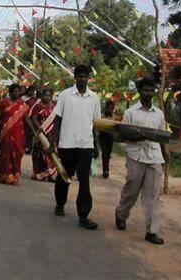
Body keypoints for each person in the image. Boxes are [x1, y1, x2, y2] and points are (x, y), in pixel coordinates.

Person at [41, 64, 100, 230]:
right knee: (64, 176)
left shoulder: (94, 98)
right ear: (75, 77)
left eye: (85, 76)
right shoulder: (65, 95)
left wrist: (96, 145)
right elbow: (57, 120)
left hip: (85, 144)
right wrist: (53, 142)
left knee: (84, 180)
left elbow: (96, 123)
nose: (82, 79)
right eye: (79, 76)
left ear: (89, 77)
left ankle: (83, 215)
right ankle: (60, 204)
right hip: (67, 143)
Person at [114, 78, 170, 245]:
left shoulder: (159, 114)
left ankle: (151, 231)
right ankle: (121, 214)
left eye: (151, 90)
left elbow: (162, 137)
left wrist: (166, 156)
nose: (148, 93)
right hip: (135, 156)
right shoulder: (130, 112)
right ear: (139, 91)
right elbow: (121, 135)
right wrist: (134, 135)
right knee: (132, 190)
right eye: (145, 90)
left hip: (154, 158)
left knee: (152, 195)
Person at [0, 84, 29, 185]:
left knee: (16, 154)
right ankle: (2, 175)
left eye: (18, 91)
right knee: (4, 153)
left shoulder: (22, 105)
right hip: (6, 133)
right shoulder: (4, 103)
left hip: (18, 134)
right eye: (14, 91)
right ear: (10, 92)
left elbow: (26, 119)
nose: (16, 93)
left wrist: (35, 131)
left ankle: (14, 176)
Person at [30, 88, 56, 182]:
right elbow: (34, 118)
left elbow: (56, 120)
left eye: (49, 96)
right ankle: (39, 173)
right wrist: (40, 127)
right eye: (45, 95)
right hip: (40, 133)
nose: (47, 97)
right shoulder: (37, 107)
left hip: (51, 133)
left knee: (49, 153)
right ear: (42, 96)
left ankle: (50, 174)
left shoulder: (53, 107)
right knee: (39, 154)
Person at [99, 100, 119, 179]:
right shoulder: (102, 115)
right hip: (103, 136)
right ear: (106, 107)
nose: (110, 109)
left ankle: (106, 170)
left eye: (112, 108)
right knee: (104, 153)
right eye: (109, 107)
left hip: (110, 137)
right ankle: (105, 171)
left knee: (108, 154)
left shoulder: (113, 117)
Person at [21, 85, 38, 154]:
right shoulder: (23, 98)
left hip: (32, 118)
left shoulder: (35, 99)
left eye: (34, 91)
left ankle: (29, 148)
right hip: (24, 117)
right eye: (32, 91)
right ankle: (24, 147)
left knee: (31, 134)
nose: (33, 92)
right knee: (25, 133)